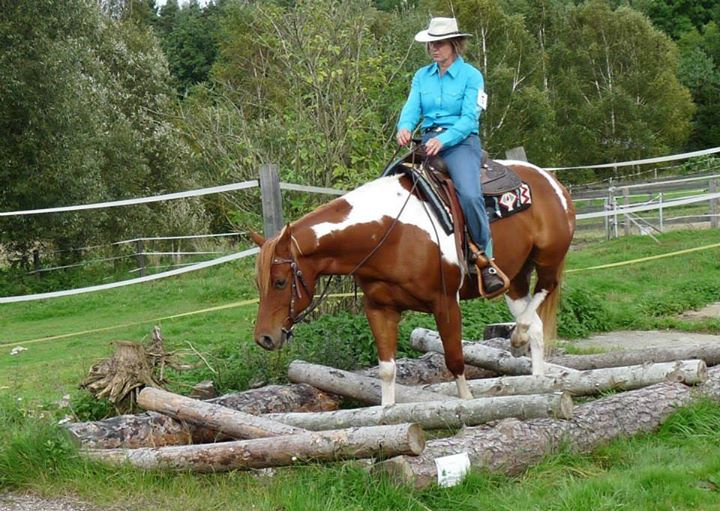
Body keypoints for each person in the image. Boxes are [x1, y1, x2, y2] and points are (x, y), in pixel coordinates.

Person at [396, 16, 506, 296]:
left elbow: (470, 118)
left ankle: (485, 258)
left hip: (461, 143)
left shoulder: (472, 76)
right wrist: (405, 127)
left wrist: (443, 140)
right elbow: (411, 107)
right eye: (431, 43)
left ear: (455, 44)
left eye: (440, 43)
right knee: (389, 183)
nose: (434, 48)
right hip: (427, 141)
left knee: (469, 194)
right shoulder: (422, 76)